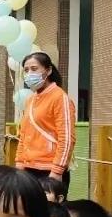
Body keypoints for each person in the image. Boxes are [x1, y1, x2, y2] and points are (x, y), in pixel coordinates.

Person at [15, 52, 77, 197]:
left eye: (34, 69)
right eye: (26, 70)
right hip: (28, 169)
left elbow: (67, 138)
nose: (29, 73)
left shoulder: (60, 98)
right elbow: (23, 136)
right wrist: (19, 165)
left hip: (50, 171)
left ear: (48, 70)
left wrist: (56, 171)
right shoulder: (30, 100)